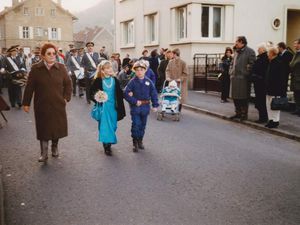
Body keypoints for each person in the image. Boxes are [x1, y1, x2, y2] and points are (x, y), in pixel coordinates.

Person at [22, 43, 72, 162]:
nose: (52, 55)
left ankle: (54, 147)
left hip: (58, 104)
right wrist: (26, 103)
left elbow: (68, 84)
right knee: (43, 128)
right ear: (43, 55)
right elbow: (29, 87)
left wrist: (65, 98)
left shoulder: (61, 67)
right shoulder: (35, 69)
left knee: (56, 127)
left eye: (54, 53)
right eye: (49, 53)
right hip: (42, 105)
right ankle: (44, 153)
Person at [90, 60, 126, 156]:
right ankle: (107, 146)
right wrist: (98, 96)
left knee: (113, 126)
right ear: (102, 70)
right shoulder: (98, 80)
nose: (110, 69)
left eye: (110, 67)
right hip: (103, 107)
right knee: (105, 126)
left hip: (113, 107)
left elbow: (120, 93)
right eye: (107, 68)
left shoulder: (114, 80)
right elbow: (92, 93)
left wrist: (129, 94)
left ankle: (108, 141)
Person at [124, 60, 159, 152]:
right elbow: (126, 93)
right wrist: (134, 101)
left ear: (145, 70)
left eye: (141, 70)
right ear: (134, 71)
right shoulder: (132, 82)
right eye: (137, 70)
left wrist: (155, 104)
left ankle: (140, 140)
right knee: (136, 124)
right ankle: (135, 141)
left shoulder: (149, 82)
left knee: (143, 125)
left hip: (145, 107)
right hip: (135, 107)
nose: (139, 72)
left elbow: (154, 93)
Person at [229, 36, 256, 121]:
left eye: (237, 42)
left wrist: (246, 73)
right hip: (234, 78)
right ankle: (238, 113)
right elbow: (232, 63)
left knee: (243, 98)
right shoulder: (236, 51)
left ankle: (244, 115)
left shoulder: (250, 51)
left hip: (244, 79)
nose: (235, 44)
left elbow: (252, 65)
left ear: (242, 42)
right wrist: (230, 72)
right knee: (235, 97)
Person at [265, 47, 285, 128]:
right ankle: (271, 120)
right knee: (269, 105)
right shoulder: (271, 62)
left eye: (268, 53)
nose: (267, 55)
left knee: (275, 105)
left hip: (275, 88)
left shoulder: (278, 62)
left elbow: (280, 77)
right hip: (269, 88)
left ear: (272, 53)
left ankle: (275, 121)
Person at [251, 43, 269, 123]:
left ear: (263, 50)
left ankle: (263, 118)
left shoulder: (265, 58)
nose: (258, 50)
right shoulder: (260, 58)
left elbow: (263, 70)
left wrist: (256, 76)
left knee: (261, 101)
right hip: (258, 82)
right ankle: (262, 117)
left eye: (259, 49)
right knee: (259, 100)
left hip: (261, 83)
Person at [290, 38, 300, 116]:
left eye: (296, 43)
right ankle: (297, 109)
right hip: (294, 77)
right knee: (296, 94)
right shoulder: (296, 53)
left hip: (299, 78)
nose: (294, 45)